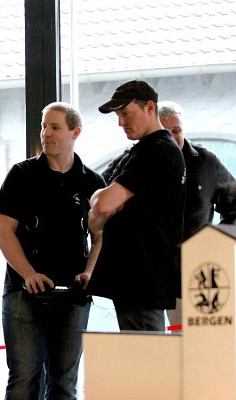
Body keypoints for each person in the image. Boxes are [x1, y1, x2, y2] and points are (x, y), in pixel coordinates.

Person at [0, 102, 105, 400]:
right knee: (24, 378)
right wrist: (28, 273)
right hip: (23, 292)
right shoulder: (21, 175)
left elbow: (100, 238)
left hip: (73, 295)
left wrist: (89, 272)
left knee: (65, 383)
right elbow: (3, 232)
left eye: (55, 127)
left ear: (75, 132)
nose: (46, 133)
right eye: (44, 126)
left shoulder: (92, 182)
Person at [105, 101, 236, 327]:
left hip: (191, 273)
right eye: (165, 132)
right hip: (147, 273)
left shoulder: (204, 162)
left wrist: (217, 245)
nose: (171, 137)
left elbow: (235, 200)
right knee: (151, 342)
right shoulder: (133, 159)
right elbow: (101, 194)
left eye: (176, 130)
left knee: (188, 341)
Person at [88, 80, 186, 332]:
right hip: (136, 280)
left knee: (145, 355)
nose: (121, 122)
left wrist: (101, 201)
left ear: (150, 107)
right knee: (140, 353)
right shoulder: (140, 151)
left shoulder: (157, 150)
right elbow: (96, 213)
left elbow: (102, 205)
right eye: (118, 116)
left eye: (126, 113)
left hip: (143, 280)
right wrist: (101, 202)